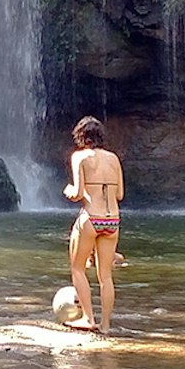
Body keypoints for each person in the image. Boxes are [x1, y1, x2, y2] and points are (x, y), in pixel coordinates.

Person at [63, 116, 123, 334]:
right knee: (105, 276)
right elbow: (120, 194)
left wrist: (70, 191)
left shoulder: (79, 157)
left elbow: (78, 193)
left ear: (81, 136)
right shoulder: (114, 158)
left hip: (91, 218)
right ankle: (106, 326)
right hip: (112, 220)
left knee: (78, 268)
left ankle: (88, 318)